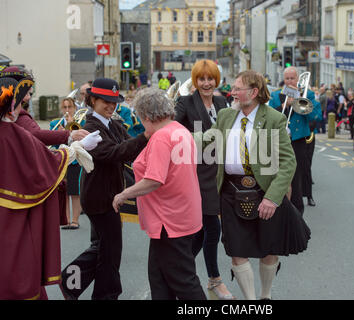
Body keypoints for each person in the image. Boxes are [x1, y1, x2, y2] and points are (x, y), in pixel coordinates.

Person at [195, 70, 311, 300]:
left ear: (254, 92)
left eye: (238, 88)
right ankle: (250, 302)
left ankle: (265, 296)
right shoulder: (227, 115)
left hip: (264, 191)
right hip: (230, 191)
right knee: (236, 250)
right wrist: (173, 135)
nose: (233, 92)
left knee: (268, 250)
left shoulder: (274, 118)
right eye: (233, 88)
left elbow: (288, 162)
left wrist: (272, 197)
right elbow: (206, 138)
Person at [0, 77, 101, 300]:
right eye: (18, 100)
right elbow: (46, 164)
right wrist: (76, 146)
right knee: (17, 272)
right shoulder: (12, 134)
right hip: (10, 221)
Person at [60, 78, 150, 300]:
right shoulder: (90, 127)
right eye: (105, 101)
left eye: (114, 102)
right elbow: (114, 153)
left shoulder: (115, 124)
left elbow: (131, 149)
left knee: (103, 248)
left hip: (110, 197)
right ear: (92, 100)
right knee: (110, 253)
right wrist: (147, 135)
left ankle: (70, 283)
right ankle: (104, 294)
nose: (111, 106)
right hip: (99, 198)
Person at [112, 88, 206, 300]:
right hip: (181, 213)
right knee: (160, 279)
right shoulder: (179, 130)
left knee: (183, 281)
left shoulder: (161, 138)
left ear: (146, 116)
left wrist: (124, 193)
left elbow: (154, 179)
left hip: (168, 219)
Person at [174, 59, 233, 299]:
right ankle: (214, 280)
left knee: (200, 231)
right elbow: (173, 131)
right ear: (195, 81)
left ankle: (177, 271)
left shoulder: (222, 101)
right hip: (197, 173)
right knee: (212, 226)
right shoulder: (185, 102)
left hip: (220, 172)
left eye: (210, 79)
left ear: (216, 80)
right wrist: (200, 136)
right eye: (201, 79)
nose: (206, 83)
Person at [269, 67, 321, 209]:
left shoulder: (307, 94)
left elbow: (316, 116)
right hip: (280, 140)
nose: (290, 81)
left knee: (297, 175)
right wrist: (285, 106)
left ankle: (298, 207)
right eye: (287, 79)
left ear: (297, 79)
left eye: (292, 78)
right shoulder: (275, 96)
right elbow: (270, 116)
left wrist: (299, 101)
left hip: (298, 140)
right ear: (283, 80)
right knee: (279, 175)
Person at [0, 66, 90, 146]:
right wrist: (69, 135)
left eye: (30, 93)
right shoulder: (16, 114)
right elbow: (35, 134)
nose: (28, 97)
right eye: (25, 92)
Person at [50, 97, 86, 230]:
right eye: (64, 107)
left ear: (74, 108)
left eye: (69, 107)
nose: (67, 110)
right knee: (64, 191)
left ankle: (75, 220)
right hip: (61, 160)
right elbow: (52, 144)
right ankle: (66, 220)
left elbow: (83, 142)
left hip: (75, 160)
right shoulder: (55, 123)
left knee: (74, 192)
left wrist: (72, 126)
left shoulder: (81, 122)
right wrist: (59, 134)